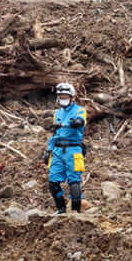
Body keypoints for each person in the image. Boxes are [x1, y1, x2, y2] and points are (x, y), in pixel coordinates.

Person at [43, 81, 86, 214]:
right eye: (61, 97)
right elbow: (54, 134)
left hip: (73, 150)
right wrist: (49, 150)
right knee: (53, 181)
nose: (63, 99)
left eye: (65, 97)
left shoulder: (79, 111)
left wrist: (73, 123)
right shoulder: (57, 114)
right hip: (57, 150)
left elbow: (80, 121)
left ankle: (75, 212)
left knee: (74, 182)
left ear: (72, 97)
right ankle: (61, 209)